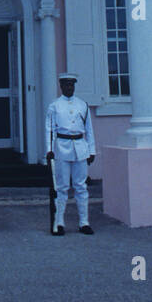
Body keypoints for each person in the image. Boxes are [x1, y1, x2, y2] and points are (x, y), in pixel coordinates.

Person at [46, 71, 95, 235]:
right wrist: (49, 149)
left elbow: (89, 130)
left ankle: (84, 222)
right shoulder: (54, 106)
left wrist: (92, 150)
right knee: (62, 187)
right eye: (66, 85)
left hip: (80, 148)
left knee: (81, 186)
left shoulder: (82, 105)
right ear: (61, 86)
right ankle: (59, 223)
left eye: (71, 84)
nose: (69, 87)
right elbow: (50, 130)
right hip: (62, 147)